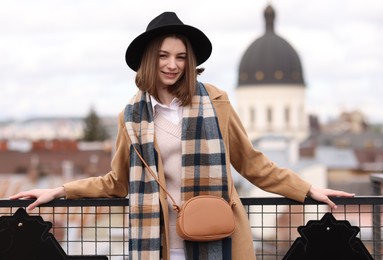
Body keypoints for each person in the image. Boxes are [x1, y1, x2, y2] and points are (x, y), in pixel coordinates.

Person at [11, 11, 354, 260]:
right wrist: (59, 190)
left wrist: (307, 189)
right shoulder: (130, 118)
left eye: (180, 57)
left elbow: (252, 163)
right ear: (149, 60)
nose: (172, 64)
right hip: (158, 243)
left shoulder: (216, 103)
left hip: (217, 237)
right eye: (163, 55)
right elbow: (117, 181)